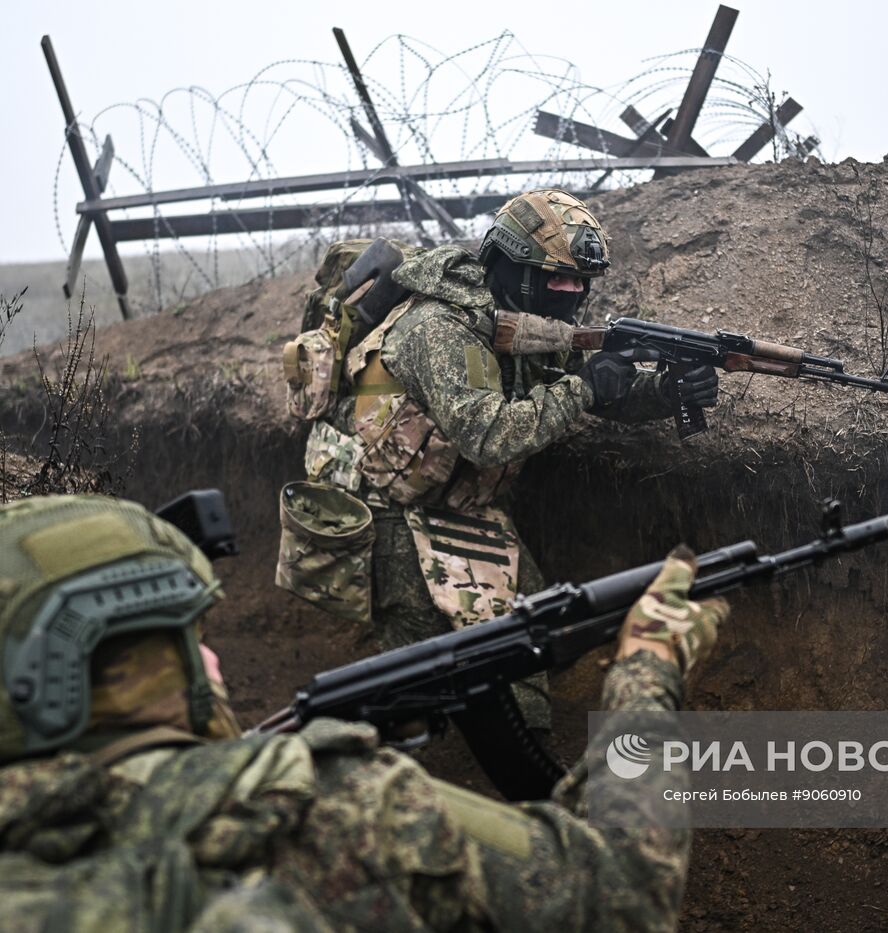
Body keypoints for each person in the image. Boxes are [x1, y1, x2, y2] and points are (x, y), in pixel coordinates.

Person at [0, 494, 729, 930]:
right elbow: (618, 896)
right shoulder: (323, 810)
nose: (211, 659)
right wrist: (646, 669)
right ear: (98, 667)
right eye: (188, 637)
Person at [290, 189, 720, 731]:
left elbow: (599, 390)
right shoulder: (439, 328)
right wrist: (583, 389)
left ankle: (511, 740)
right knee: (414, 690)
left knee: (534, 645)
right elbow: (487, 434)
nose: (571, 292)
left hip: (467, 505)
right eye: (557, 278)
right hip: (389, 513)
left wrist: (667, 391)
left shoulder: (527, 322)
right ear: (511, 268)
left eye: (580, 282)